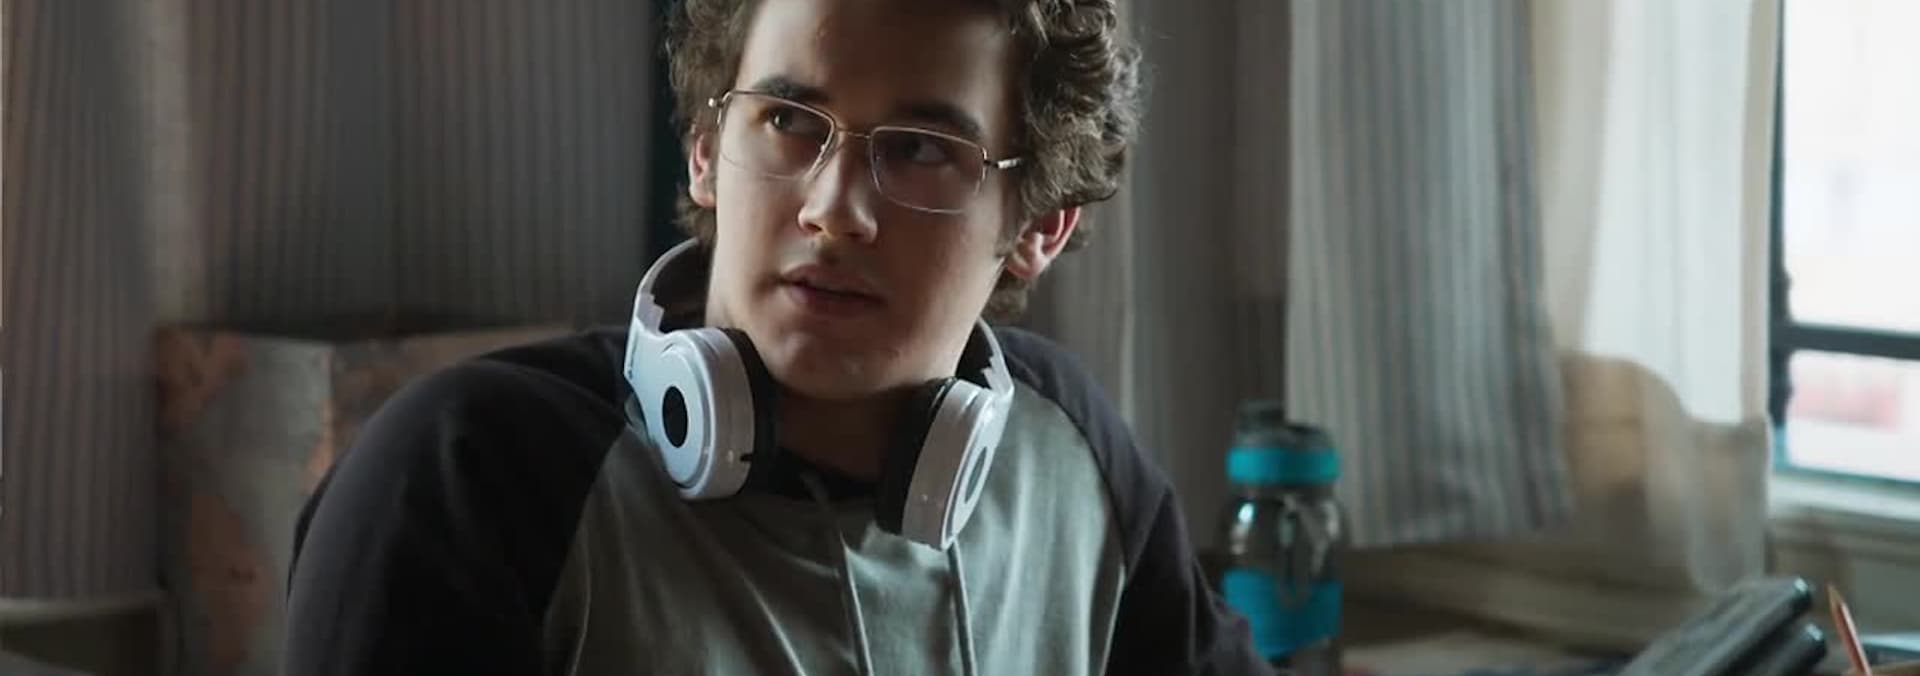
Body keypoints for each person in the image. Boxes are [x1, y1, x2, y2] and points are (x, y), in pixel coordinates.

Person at [284, 0, 1271, 674]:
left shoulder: (1072, 453)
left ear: (1037, 227)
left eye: (920, 150)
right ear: (705, 151)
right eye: (790, 120)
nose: (834, 210)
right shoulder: (468, 475)